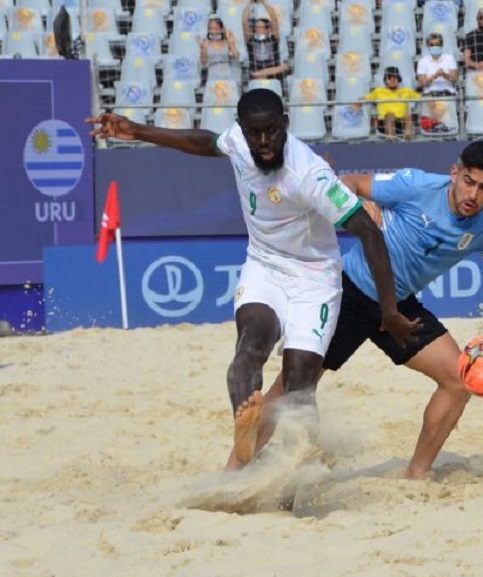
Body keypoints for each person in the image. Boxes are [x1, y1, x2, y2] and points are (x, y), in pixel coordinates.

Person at [86, 89, 420, 470]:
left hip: (315, 280)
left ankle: (295, 473)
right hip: (264, 264)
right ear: (242, 130)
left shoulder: (309, 175)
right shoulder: (239, 142)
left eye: (272, 132)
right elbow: (207, 143)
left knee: (299, 380)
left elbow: (370, 233)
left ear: (285, 125)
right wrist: (137, 131)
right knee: (251, 342)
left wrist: (389, 310)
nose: (263, 142)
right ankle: (244, 435)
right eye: (254, 133)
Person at [238, 141, 483, 478]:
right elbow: (351, 182)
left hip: (399, 308)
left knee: (458, 383)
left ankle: (415, 475)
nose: (474, 193)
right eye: (469, 181)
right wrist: (361, 204)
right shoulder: (417, 184)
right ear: (454, 173)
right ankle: (233, 472)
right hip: (350, 294)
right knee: (291, 386)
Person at [362, 66, 422, 141]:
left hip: (401, 123)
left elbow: (420, 97)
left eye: (395, 78)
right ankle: (390, 138)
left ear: (398, 79)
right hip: (384, 123)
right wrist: (358, 102)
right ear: (385, 80)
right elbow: (365, 98)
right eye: (389, 78)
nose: (392, 80)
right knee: (390, 115)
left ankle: (408, 136)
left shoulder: (406, 91)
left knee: (408, 115)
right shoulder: (378, 91)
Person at [241, 0, 289, 82]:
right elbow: (244, 22)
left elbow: (274, 19)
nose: (257, 29)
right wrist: (250, 3)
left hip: (273, 76)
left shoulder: (273, 39)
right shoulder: (251, 40)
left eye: (260, 27)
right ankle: (260, 74)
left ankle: (262, 73)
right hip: (256, 75)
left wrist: (264, 2)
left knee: (284, 67)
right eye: (256, 27)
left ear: (267, 29)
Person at [197, 17, 241, 83]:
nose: (213, 31)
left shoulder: (227, 42)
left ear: (221, 29)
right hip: (212, 75)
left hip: (228, 75)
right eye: (211, 28)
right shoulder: (205, 43)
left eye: (216, 28)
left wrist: (230, 40)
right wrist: (203, 48)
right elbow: (203, 62)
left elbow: (236, 56)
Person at [416, 32, 458, 97]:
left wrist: (444, 74)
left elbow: (454, 78)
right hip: (430, 94)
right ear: (428, 46)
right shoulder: (422, 61)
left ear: (441, 45)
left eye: (437, 44)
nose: (434, 47)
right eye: (432, 45)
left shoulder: (449, 58)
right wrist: (434, 76)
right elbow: (421, 83)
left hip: (448, 92)